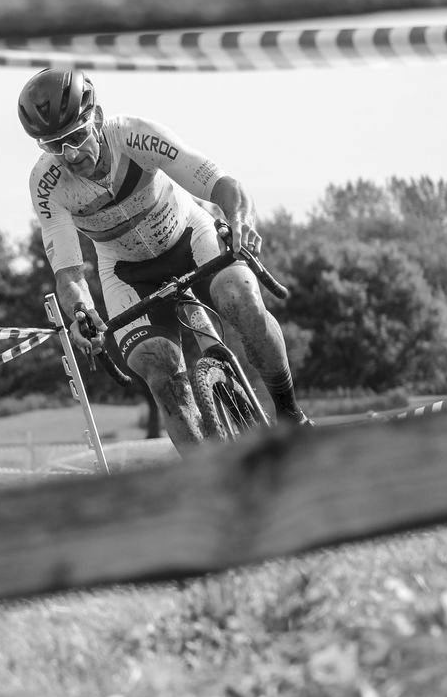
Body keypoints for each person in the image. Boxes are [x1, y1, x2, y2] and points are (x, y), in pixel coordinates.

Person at [19, 67, 312, 452]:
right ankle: (207, 483)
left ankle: (290, 412)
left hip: (188, 237)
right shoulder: (47, 184)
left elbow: (221, 184)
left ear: (98, 118)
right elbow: (69, 274)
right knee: (156, 367)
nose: (70, 154)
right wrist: (81, 312)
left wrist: (239, 221)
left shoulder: (135, 135)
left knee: (241, 300)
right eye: (54, 145)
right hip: (126, 273)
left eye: (75, 137)